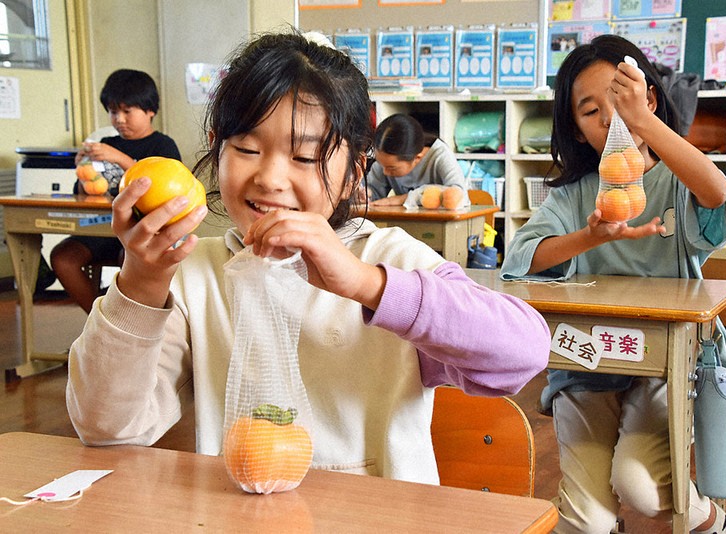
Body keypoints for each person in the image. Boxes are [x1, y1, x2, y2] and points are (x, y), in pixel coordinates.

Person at [65, 30, 550, 485]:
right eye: (247, 148)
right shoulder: (195, 276)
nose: (270, 179)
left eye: (303, 158)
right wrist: (142, 282)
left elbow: (523, 353)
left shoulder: (390, 259)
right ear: (218, 149)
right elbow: (107, 427)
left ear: (354, 172)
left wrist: (368, 284)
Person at [500, 35, 726, 534]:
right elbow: (519, 260)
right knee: (585, 521)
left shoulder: (676, 179)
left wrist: (644, 123)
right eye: (591, 111)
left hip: (666, 367)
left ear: (648, 98)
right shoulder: (574, 195)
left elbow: (717, 195)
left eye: (621, 100)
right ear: (576, 128)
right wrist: (589, 236)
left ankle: (712, 522)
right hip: (588, 362)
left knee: (641, 487)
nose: (610, 118)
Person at [50, 69, 181, 313]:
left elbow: (165, 190)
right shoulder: (107, 144)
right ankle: (101, 320)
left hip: (142, 232)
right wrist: (83, 170)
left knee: (131, 260)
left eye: (127, 111)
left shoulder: (163, 146)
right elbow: (85, 194)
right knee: (63, 258)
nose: (119, 119)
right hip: (102, 229)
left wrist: (120, 158)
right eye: (113, 112)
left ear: (150, 110)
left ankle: (129, 321)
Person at [365, 113, 468, 206]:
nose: (385, 172)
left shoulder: (440, 156)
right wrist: (365, 195)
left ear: (417, 158)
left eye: (391, 168)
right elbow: (373, 195)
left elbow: (460, 195)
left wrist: (404, 199)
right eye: (381, 164)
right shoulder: (385, 160)